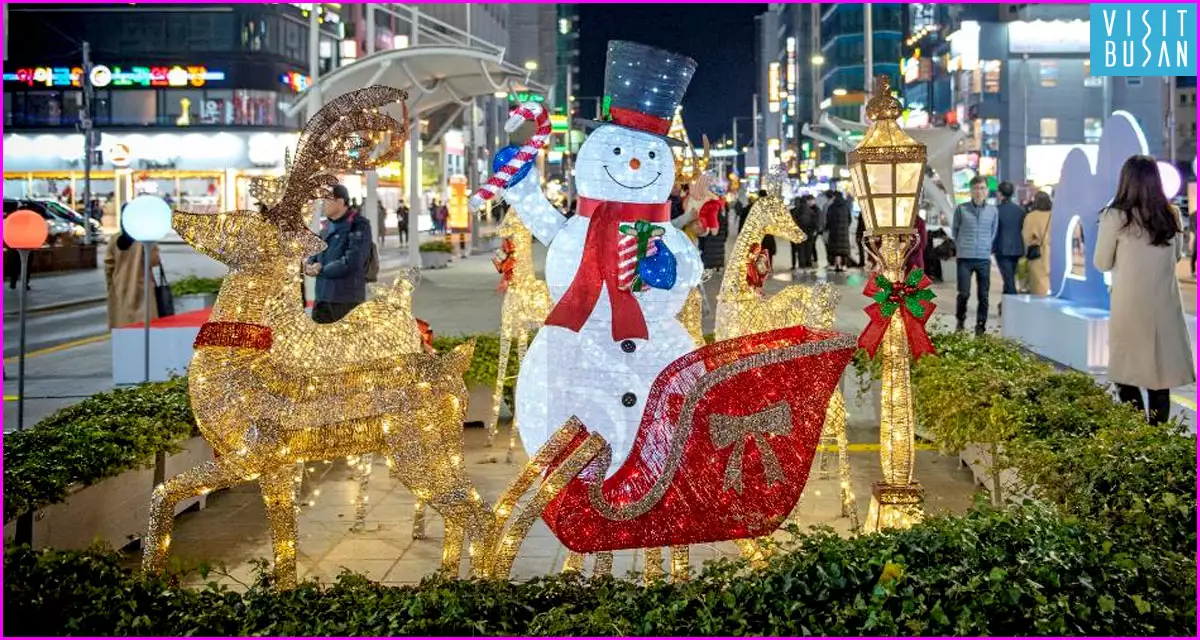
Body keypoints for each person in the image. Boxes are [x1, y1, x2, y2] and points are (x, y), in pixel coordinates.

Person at [1093, 155, 1195, 425]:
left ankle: (1139, 436)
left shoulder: (1115, 216)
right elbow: (1176, 256)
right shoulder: (1171, 214)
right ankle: (1157, 436)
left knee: (1126, 375)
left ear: (1125, 181)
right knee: (1160, 379)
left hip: (1129, 307)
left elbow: (1102, 262)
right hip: (1164, 306)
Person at [305, 184, 370, 324]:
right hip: (322, 298)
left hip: (346, 300)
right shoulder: (326, 226)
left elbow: (352, 261)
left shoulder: (358, 224)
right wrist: (309, 265)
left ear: (340, 202)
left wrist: (321, 269)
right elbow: (315, 252)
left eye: (327, 200)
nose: (323, 204)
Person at [951, 176, 998, 335]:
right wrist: (962, 245)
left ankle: (981, 324)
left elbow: (993, 232)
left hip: (983, 258)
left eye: (982, 188)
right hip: (965, 258)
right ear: (971, 190)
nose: (979, 191)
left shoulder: (993, 211)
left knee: (983, 295)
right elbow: (955, 230)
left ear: (987, 191)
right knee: (964, 293)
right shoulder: (961, 209)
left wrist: (985, 246)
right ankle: (960, 320)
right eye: (976, 188)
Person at [104, 224, 161, 329]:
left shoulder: (114, 239)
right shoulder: (146, 239)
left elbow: (109, 266)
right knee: (144, 328)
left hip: (119, 286)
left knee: (123, 324)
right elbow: (154, 261)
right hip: (142, 288)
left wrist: (110, 286)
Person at [993, 181, 1027, 306]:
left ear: (1000, 194)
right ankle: (1004, 305)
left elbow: (994, 231)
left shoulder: (996, 210)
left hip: (1002, 249)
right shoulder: (1020, 210)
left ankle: (1013, 305)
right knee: (1009, 276)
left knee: (1008, 279)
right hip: (1017, 248)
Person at [1020, 191, 1054, 295]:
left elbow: (1026, 237)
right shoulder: (1054, 215)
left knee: (1038, 285)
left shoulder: (1031, 216)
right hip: (1053, 254)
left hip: (1038, 256)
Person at [825, 190, 853, 272]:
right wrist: (845, 227)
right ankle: (843, 265)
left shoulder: (832, 207)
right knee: (843, 249)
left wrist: (828, 228)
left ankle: (835, 264)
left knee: (835, 249)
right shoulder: (846, 206)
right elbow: (850, 219)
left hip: (834, 232)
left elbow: (828, 219)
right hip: (844, 232)